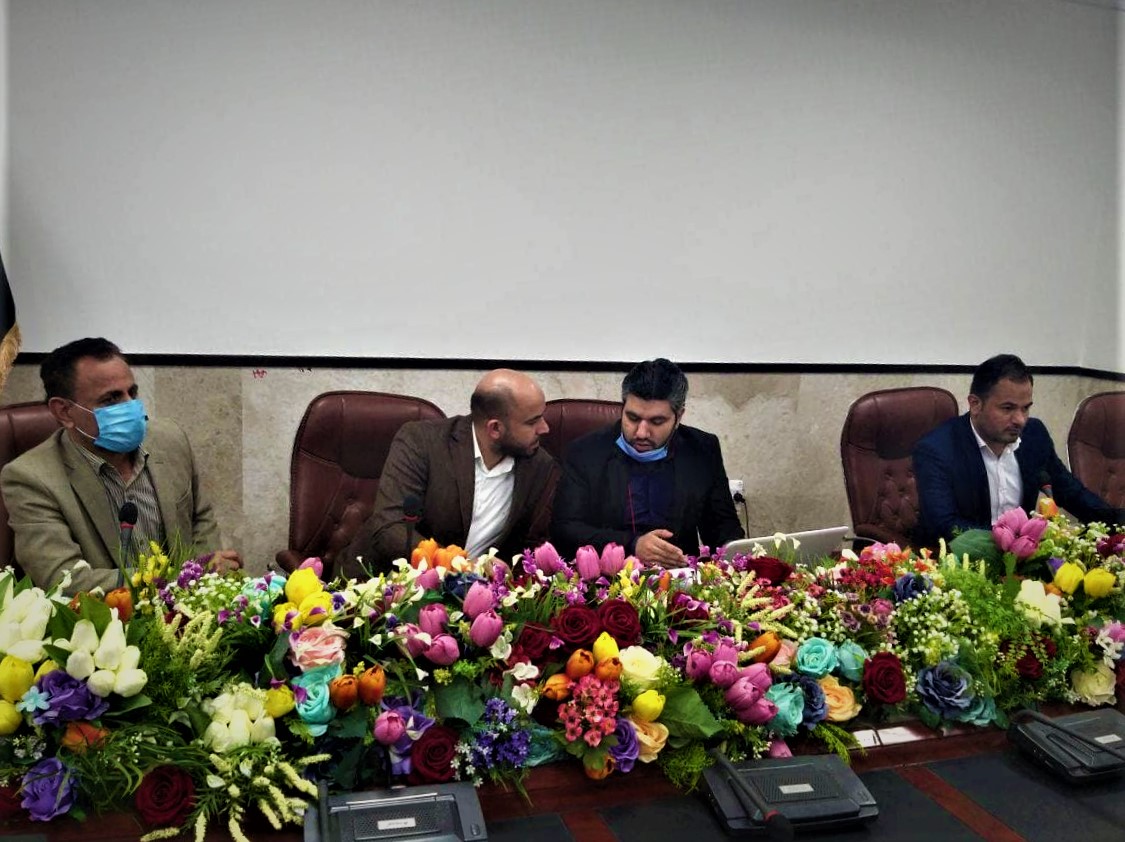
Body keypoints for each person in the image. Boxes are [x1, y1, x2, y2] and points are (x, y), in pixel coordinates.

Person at [1, 337, 240, 593]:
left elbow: (200, 519)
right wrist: (181, 579)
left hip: (190, 607)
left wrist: (209, 574)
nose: (130, 407)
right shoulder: (31, 478)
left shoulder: (170, 441)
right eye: (111, 399)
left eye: (132, 393)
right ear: (64, 412)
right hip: (106, 615)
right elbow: (64, 579)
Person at [336, 369, 559, 576]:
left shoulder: (538, 466)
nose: (545, 428)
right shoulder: (421, 442)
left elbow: (527, 543)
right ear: (495, 428)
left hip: (469, 597)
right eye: (533, 422)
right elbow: (390, 528)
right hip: (384, 582)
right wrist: (461, 565)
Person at [913, 353, 1123, 546]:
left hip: (1023, 557)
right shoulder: (937, 450)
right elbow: (944, 526)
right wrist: (1016, 541)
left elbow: (1072, 494)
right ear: (975, 404)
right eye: (1008, 408)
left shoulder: (1034, 435)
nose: (1020, 420)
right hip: (960, 559)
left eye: (1026, 408)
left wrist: (1118, 524)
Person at [551, 358, 744, 566]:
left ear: (679, 417)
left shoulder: (702, 449)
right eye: (633, 418)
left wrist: (738, 559)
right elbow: (564, 531)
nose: (641, 432)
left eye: (656, 421)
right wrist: (632, 544)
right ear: (623, 407)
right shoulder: (585, 452)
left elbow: (723, 529)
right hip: (608, 576)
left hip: (678, 574)